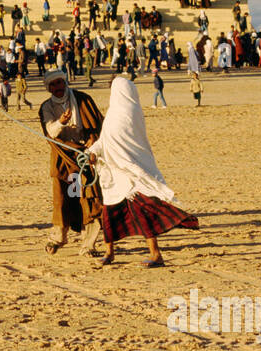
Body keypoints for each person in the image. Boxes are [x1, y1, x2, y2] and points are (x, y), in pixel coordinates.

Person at [84, 77, 199, 267]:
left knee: (140, 213)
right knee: (110, 213)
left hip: (128, 173)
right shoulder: (120, 112)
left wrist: (95, 154)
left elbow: (116, 143)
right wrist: (92, 152)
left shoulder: (125, 113)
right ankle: (110, 252)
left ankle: (155, 254)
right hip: (116, 174)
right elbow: (106, 140)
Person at [39, 69, 104, 255]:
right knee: (63, 199)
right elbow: (50, 132)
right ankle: (58, 238)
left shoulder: (83, 99)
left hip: (86, 158)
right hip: (63, 160)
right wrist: (61, 122)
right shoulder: (47, 107)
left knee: (89, 198)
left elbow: (99, 123)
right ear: (48, 88)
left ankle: (88, 244)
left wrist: (94, 140)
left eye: (59, 83)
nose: (57, 87)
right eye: (53, 85)